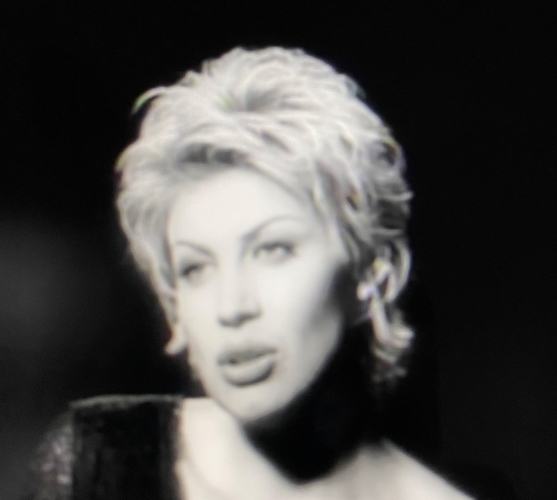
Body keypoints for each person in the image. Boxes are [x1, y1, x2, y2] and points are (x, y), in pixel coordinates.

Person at [23, 46, 475, 499]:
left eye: (272, 250)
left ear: (373, 275)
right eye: (196, 268)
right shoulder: (99, 459)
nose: (232, 308)